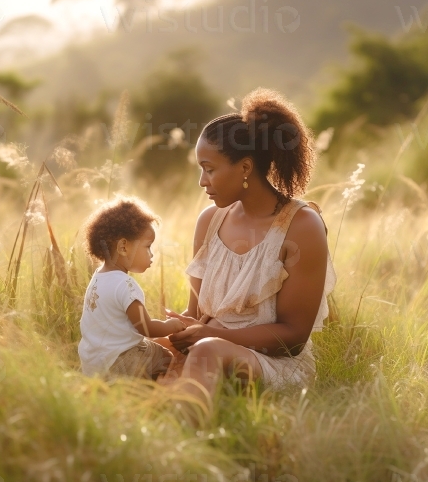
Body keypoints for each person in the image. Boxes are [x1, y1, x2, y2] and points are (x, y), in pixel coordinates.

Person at [162, 87, 336, 406]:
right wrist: (182, 326)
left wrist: (214, 337)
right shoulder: (209, 221)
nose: (202, 181)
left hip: (274, 365)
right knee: (142, 343)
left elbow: (293, 339)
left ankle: (179, 445)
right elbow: (197, 313)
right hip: (210, 345)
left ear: (244, 168)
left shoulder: (302, 227)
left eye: (210, 169)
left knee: (206, 351)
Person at [79, 196, 186, 379]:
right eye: (148, 247)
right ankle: (160, 394)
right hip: (120, 360)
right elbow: (146, 328)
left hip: (93, 364)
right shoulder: (125, 284)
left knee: (146, 349)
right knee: (166, 358)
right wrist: (170, 325)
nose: (152, 255)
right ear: (123, 247)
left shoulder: (98, 277)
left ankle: (127, 389)